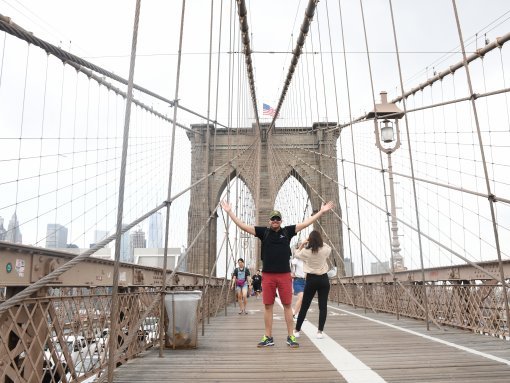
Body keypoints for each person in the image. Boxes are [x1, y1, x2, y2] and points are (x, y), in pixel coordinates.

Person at [220, 200, 334, 348]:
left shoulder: (287, 231)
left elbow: (306, 223)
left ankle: (291, 337)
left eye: (277, 219)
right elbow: (242, 225)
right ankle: (268, 337)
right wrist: (229, 212)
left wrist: (321, 212)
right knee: (268, 306)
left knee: (287, 305)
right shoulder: (263, 232)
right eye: (273, 219)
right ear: (269, 221)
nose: (275, 221)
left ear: (281, 221)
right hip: (267, 275)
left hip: (284, 275)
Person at [293, 230, 332, 339]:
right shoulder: (325, 250)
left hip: (311, 279)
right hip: (324, 279)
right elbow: (329, 247)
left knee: (305, 305)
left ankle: (297, 330)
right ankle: (319, 332)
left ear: (310, 240)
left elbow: (296, 254)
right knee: (323, 306)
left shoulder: (306, 251)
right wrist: (321, 242)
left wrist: (302, 244)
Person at [290, 253, 306, 320]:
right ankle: (294, 314)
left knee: (303, 300)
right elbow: (292, 263)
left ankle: (300, 315)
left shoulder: (307, 260)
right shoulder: (297, 260)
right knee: (301, 297)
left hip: (306, 281)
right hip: (298, 281)